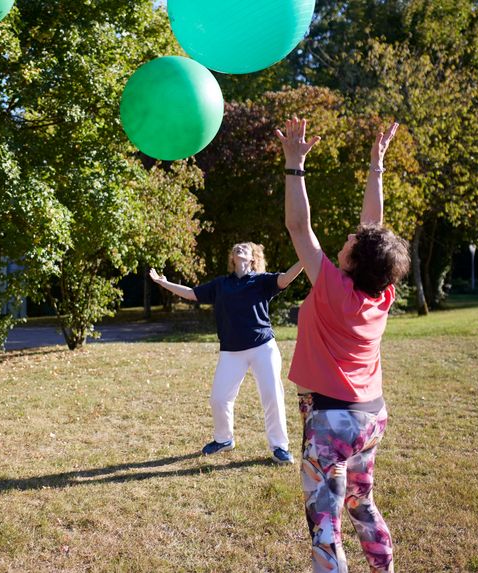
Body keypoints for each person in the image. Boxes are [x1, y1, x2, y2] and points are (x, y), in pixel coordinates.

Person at [278, 117, 410, 573]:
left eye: (353, 240)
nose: (351, 235)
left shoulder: (333, 288)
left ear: (356, 260)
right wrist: (376, 166)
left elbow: (299, 227)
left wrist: (294, 167)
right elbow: (375, 229)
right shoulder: (381, 291)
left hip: (333, 420)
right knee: (361, 503)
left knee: (325, 526)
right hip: (371, 417)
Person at [149, 244, 303, 464]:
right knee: (219, 399)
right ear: (232, 258)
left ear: (252, 259)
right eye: (236, 248)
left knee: (272, 396)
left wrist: (306, 258)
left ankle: (280, 447)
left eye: (245, 248)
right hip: (231, 350)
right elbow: (192, 293)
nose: (239, 248)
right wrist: (163, 283)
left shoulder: (261, 281)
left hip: (263, 347)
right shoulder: (222, 284)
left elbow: (286, 278)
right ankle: (223, 440)